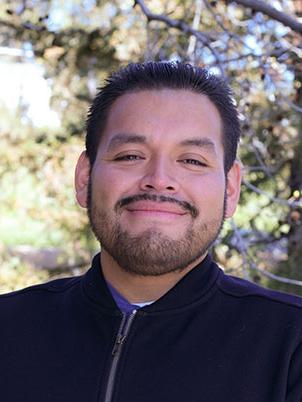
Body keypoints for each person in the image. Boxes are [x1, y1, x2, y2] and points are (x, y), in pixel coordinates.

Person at [1, 62, 301, 402]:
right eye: (131, 155)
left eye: (192, 160)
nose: (159, 179)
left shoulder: (290, 348)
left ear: (231, 189)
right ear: (84, 177)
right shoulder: (8, 330)